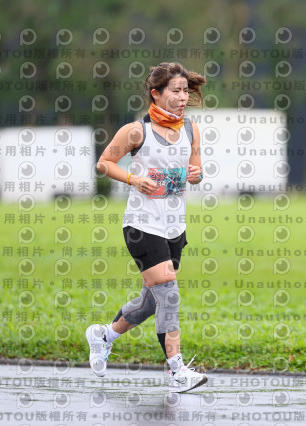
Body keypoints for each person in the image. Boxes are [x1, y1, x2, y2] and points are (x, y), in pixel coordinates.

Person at [86, 62, 207, 393]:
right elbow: (104, 163)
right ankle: (177, 371)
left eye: (186, 91)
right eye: (175, 91)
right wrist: (133, 179)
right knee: (170, 296)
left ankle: (103, 335)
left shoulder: (192, 130)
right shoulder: (136, 131)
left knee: (152, 303)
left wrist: (196, 174)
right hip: (141, 225)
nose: (183, 97)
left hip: (174, 226)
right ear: (156, 93)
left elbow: (196, 172)